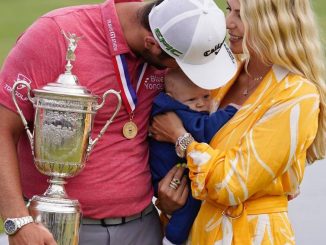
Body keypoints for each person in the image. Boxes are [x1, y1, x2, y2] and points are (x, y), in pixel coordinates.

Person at [0, 0, 237, 244]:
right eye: (183, 66)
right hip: (61, 227)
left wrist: (168, 196)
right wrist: (17, 222)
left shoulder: (172, 38)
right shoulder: (56, 34)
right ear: (151, 44)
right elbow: (2, 128)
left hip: (145, 224)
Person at [150, 0, 326, 244]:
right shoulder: (224, 75)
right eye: (228, 9)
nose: (228, 23)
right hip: (199, 231)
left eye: (241, 15)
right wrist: (170, 201)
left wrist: (180, 137)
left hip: (252, 234)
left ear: (275, 22)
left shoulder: (296, 95)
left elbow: (231, 184)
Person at [150, 68, 238, 245]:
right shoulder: (177, 111)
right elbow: (203, 130)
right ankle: (172, 239)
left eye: (206, 97)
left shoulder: (171, 105)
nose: (200, 104)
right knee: (191, 202)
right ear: (171, 96)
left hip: (168, 169)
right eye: (192, 99)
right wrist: (231, 111)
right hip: (171, 172)